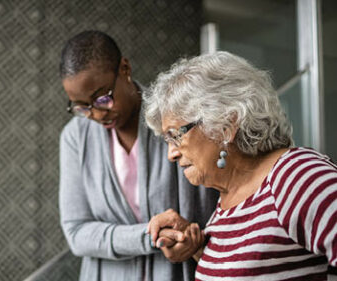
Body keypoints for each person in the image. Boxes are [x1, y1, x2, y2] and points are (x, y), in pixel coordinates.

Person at [143, 51, 337, 280]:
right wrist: (196, 248)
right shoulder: (228, 200)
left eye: (176, 136)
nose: (171, 154)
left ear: (225, 125)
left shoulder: (297, 176)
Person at [58, 30, 218, 281]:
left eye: (102, 98)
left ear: (124, 68)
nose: (97, 114)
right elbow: (77, 232)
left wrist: (193, 241)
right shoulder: (75, 138)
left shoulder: (177, 117)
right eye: (82, 107)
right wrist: (150, 236)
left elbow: (216, 205)